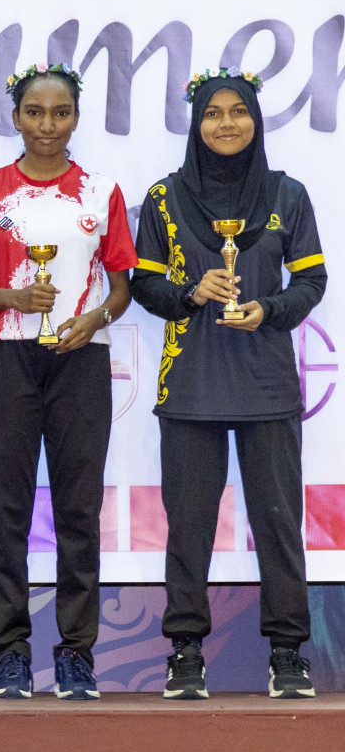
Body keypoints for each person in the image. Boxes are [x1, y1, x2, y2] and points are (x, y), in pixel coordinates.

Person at [129, 67, 326, 701]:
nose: (225, 123)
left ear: (254, 118)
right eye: (212, 113)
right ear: (196, 122)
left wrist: (268, 309)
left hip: (267, 386)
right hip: (189, 385)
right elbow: (143, 285)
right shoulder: (163, 198)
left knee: (277, 521)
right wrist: (190, 294)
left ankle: (288, 652)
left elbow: (311, 283)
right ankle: (185, 649)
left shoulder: (286, 195)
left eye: (236, 111)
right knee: (188, 525)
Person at [0, 63, 134, 702]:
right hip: (6, 357)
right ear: (16, 116)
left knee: (79, 509)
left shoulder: (100, 191)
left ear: (76, 117)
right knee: (7, 508)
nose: (46, 125)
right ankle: (11, 652)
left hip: (81, 359)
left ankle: (77, 651)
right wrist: (15, 298)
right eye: (34, 112)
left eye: (59, 113)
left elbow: (122, 287)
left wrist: (93, 318)